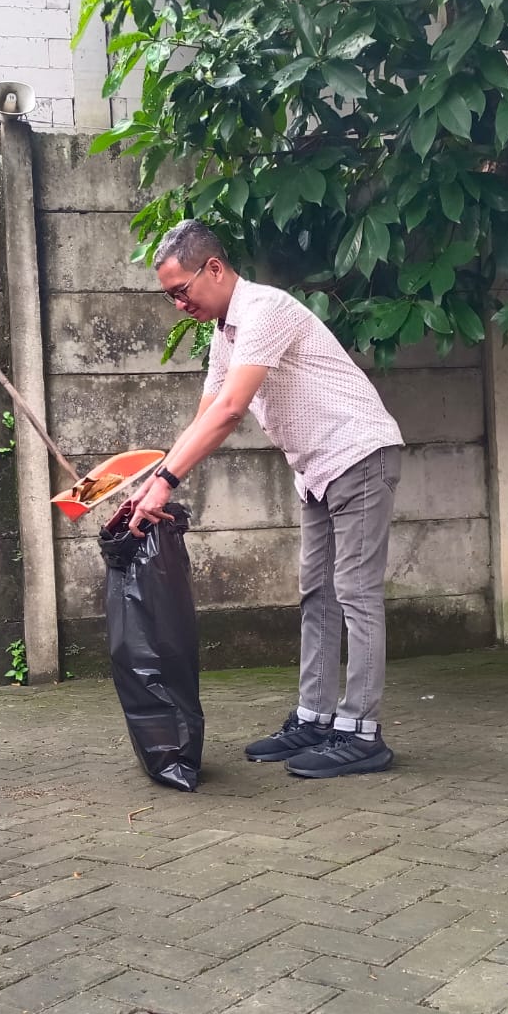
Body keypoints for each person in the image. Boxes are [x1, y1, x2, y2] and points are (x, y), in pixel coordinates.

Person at [128, 220, 405, 779]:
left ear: (214, 269)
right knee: (317, 595)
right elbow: (207, 414)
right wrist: (154, 477)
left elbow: (232, 412)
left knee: (354, 593)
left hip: (358, 453)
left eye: (181, 290)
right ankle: (315, 717)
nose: (178, 304)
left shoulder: (265, 310)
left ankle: (363, 731)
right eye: (169, 297)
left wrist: (166, 483)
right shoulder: (226, 334)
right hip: (318, 469)